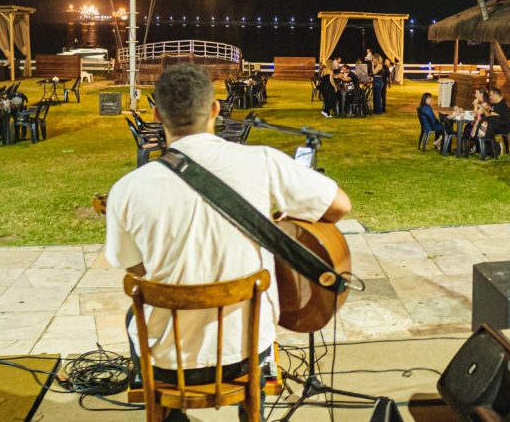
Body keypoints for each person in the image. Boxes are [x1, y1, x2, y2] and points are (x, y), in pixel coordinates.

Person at [106, 64, 351, 422]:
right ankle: (252, 412)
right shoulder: (262, 161)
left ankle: (171, 416)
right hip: (247, 353)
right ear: (215, 109)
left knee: (135, 316)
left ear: (156, 114)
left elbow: (136, 268)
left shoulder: (127, 189)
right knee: (255, 321)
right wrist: (286, 221)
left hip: (169, 362)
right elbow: (340, 205)